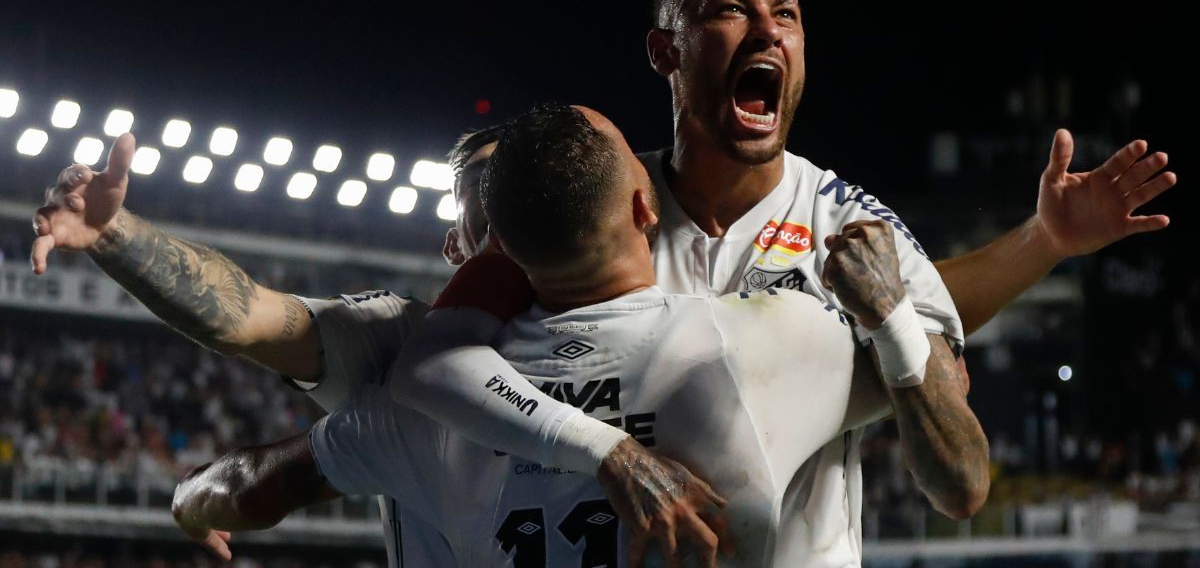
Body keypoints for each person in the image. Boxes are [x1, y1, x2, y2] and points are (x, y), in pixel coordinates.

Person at [380, 0, 1178, 566]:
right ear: (666, 52)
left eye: (787, 14)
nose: (767, 29)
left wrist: (1029, 248)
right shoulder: (594, 207)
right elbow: (439, 368)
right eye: (732, 10)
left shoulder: (853, 225)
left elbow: (962, 484)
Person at [174, 103, 905, 567]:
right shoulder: (761, 342)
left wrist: (191, 502)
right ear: (646, 210)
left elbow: (250, 483)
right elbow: (931, 388)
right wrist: (907, 316)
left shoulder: (413, 400)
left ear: (483, 249)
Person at [28, 129, 719, 565]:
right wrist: (116, 235)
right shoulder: (399, 343)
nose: (522, 208)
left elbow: (254, 483)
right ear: (456, 245)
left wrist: (196, 498)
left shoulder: (697, 337)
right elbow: (247, 318)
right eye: (496, 200)